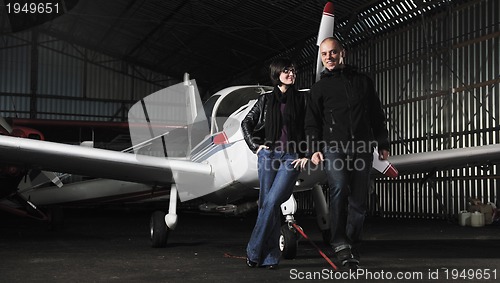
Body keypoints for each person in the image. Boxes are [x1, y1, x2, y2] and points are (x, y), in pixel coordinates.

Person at [304, 37, 390, 268]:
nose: (328, 58)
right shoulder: (319, 88)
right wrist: (313, 149)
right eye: (324, 54)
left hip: (362, 147)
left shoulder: (363, 82)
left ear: (343, 52)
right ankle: (340, 242)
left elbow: (376, 114)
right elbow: (312, 123)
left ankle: (352, 241)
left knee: (360, 198)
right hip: (334, 147)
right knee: (339, 188)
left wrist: (383, 143)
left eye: (332, 52)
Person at [241, 58, 308, 270]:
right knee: (266, 204)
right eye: (287, 71)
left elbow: (310, 127)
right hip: (268, 155)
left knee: (270, 203)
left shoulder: (302, 100)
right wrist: (256, 146)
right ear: (277, 74)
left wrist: (306, 153)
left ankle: (253, 251)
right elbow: (247, 123)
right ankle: (270, 257)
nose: (291, 74)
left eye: (293, 71)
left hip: (291, 157)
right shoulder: (265, 100)